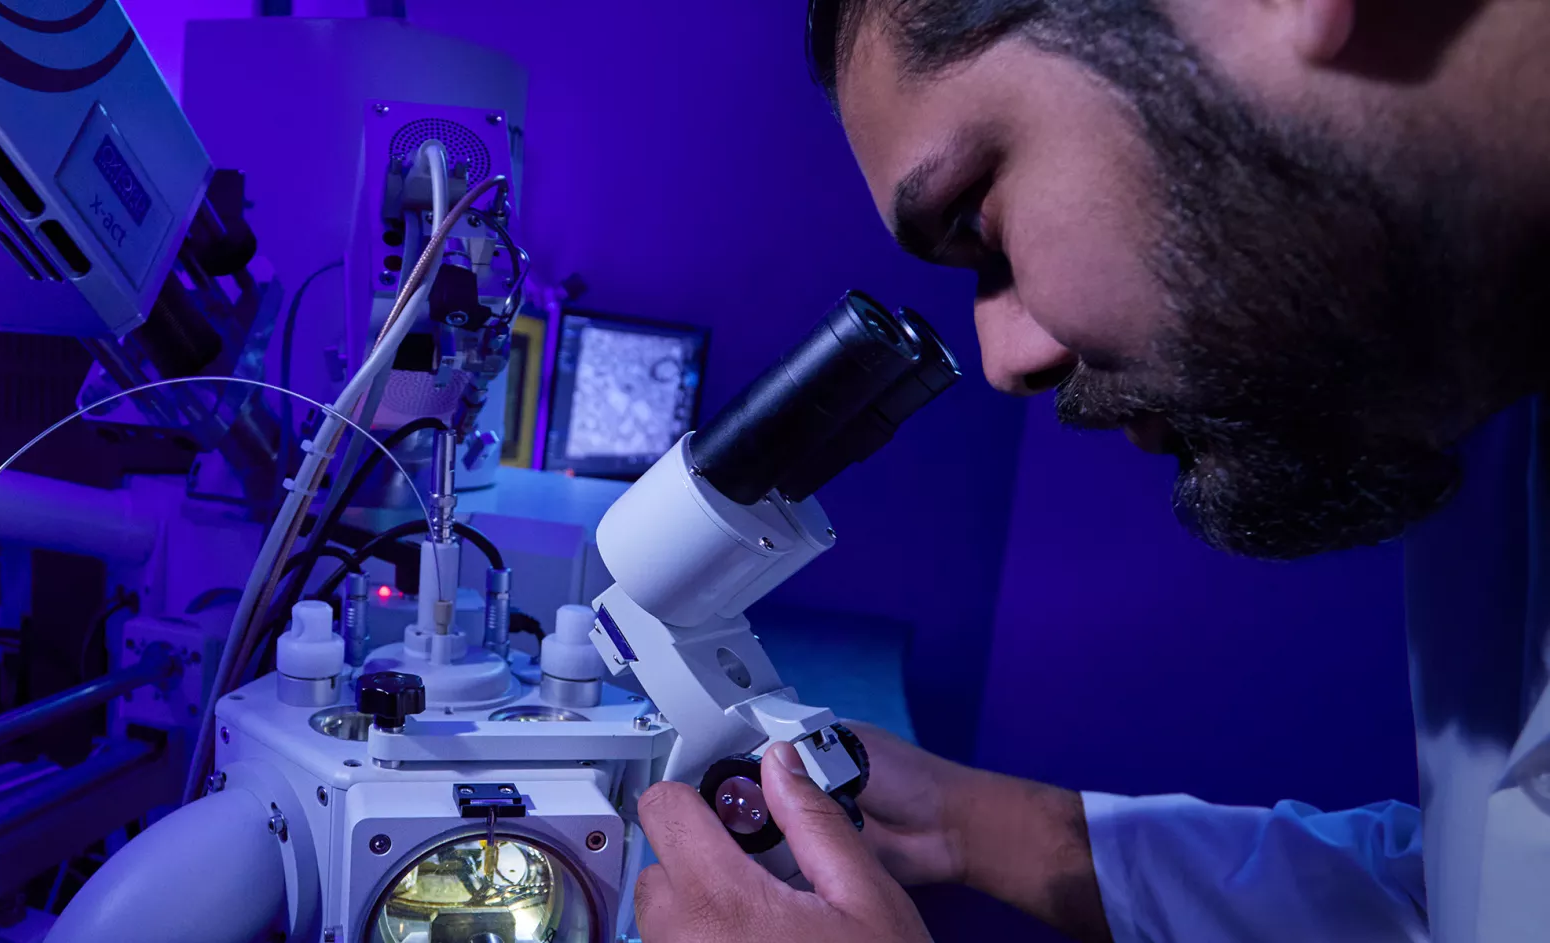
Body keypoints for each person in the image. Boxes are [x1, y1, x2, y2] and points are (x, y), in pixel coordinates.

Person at [632, 1, 1550, 941]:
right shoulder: (1495, 399)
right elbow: (1468, 894)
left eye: (977, 214)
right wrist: (962, 822)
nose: (1005, 359)